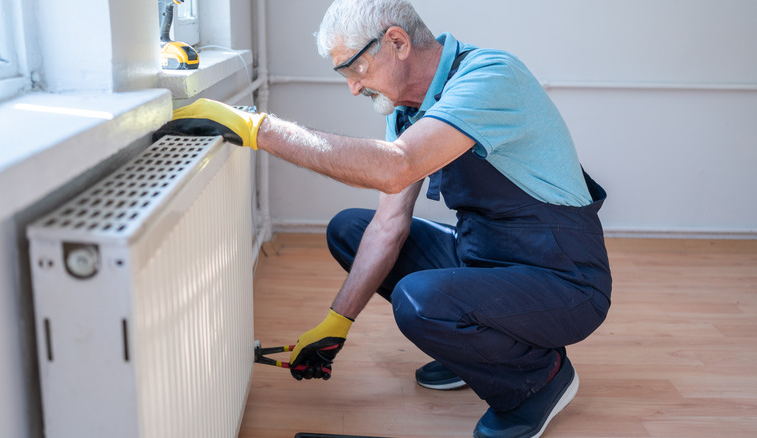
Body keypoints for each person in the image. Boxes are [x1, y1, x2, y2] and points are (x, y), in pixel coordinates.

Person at [154, 1, 612, 436]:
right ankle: (480, 351)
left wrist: (260, 130)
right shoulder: (408, 110)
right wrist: (336, 324)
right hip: (485, 253)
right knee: (350, 231)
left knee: (419, 301)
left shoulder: (491, 77)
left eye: (354, 69)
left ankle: (540, 378)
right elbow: (388, 224)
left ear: (396, 41)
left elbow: (396, 166)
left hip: (564, 278)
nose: (354, 88)